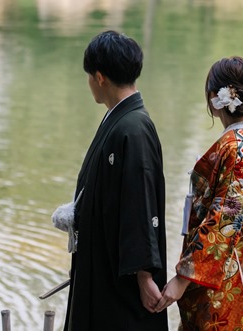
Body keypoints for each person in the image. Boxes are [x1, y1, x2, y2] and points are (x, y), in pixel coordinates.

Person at [154, 56, 243, 330]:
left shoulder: (240, 148)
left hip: (228, 282)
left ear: (213, 99)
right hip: (236, 273)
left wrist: (183, 278)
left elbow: (227, 222)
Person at [55, 30, 168, 331]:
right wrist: (81, 207)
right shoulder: (118, 119)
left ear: (100, 77)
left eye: (89, 75)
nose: (89, 82)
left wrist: (144, 275)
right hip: (103, 261)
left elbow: (139, 202)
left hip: (122, 275)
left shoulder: (133, 128)